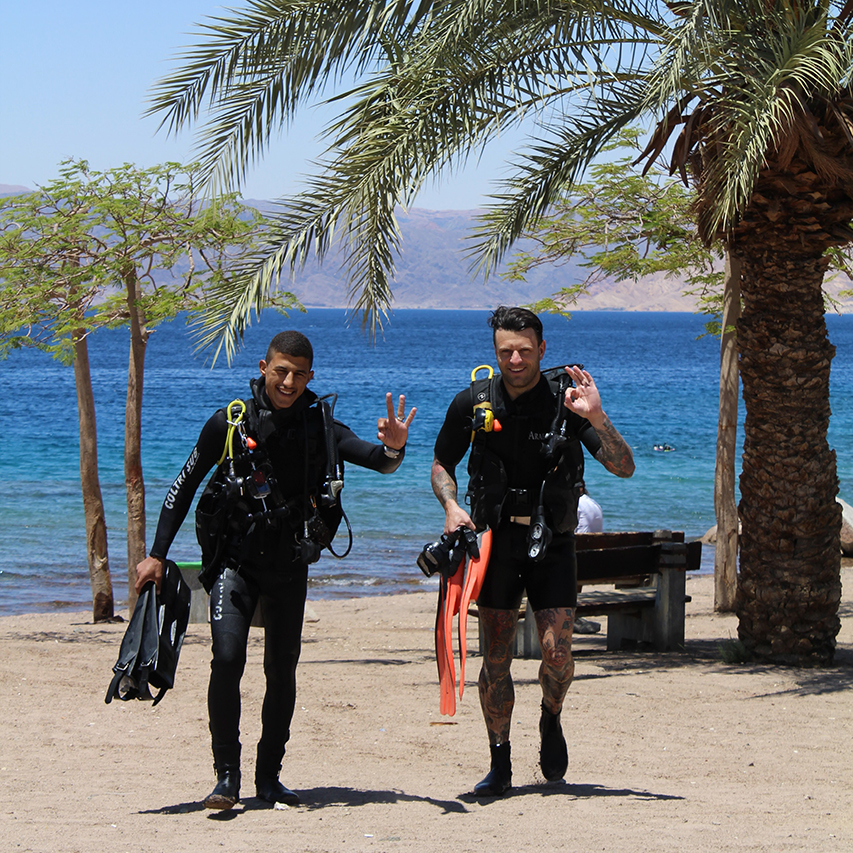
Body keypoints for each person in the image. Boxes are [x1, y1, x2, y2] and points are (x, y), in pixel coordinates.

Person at [135, 330, 415, 810]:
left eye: (299, 374)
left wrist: (393, 448)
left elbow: (377, 461)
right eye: (280, 370)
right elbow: (182, 487)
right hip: (234, 564)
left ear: (311, 376)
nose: (288, 382)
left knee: (281, 670)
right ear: (263, 367)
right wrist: (157, 555)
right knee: (226, 661)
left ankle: (269, 778)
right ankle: (226, 777)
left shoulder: (320, 426)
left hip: (289, 566)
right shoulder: (229, 422)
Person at [430, 306, 634, 796]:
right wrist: (451, 506)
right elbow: (441, 464)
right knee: (495, 659)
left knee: (557, 653)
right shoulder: (473, 404)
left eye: (524, 350)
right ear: (495, 352)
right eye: (505, 351)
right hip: (495, 544)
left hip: (554, 542)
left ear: (542, 350)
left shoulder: (569, 402)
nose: (515, 359)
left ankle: (551, 718)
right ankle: (500, 762)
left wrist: (597, 416)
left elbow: (623, 467)